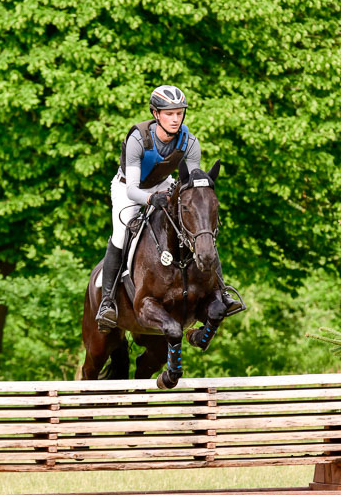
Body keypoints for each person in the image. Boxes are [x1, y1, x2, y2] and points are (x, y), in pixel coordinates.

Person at [96, 85, 242, 333]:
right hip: (128, 189)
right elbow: (133, 189)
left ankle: (222, 291)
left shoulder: (190, 141)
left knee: (197, 226)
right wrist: (152, 199)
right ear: (156, 114)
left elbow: (192, 184)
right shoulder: (138, 139)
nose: (176, 119)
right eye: (169, 114)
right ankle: (107, 302)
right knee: (122, 233)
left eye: (179, 114)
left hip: (164, 186)